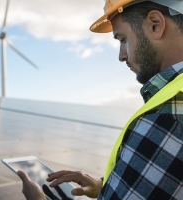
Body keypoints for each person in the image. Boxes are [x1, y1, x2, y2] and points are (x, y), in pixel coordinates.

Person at [17, 0, 183, 199]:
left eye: (122, 39)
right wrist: (106, 186)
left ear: (155, 24)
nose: (122, 56)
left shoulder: (169, 116)